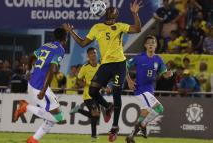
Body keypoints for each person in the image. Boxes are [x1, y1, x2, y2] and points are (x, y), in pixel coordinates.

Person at [63, 0, 142, 141]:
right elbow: (82, 43)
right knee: (92, 91)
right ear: (105, 12)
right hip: (105, 65)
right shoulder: (97, 27)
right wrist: (71, 32)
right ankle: (108, 106)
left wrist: (135, 14)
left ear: (116, 15)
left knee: (117, 94)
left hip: (119, 65)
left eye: (114, 9)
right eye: (110, 8)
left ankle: (115, 127)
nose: (113, 10)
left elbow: (137, 29)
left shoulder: (120, 26)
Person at [13, 27, 67, 143]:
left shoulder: (47, 45)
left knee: (53, 119)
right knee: (59, 118)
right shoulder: (60, 50)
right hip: (40, 87)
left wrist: (28, 71)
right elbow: (52, 69)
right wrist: (43, 90)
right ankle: (25, 107)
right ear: (65, 38)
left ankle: (33, 139)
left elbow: (31, 56)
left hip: (33, 83)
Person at [125, 35, 173, 143]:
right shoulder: (139, 57)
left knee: (144, 114)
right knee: (159, 109)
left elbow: (164, 74)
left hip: (150, 91)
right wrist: (129, 80)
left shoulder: (158, 59)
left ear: (156, 45)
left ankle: (130, 137)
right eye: (149, 43)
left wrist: (168, 74)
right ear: (145, 45)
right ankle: (143, 125)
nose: (151, 44)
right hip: (141, 90)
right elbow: (124, 66)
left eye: (153, 42)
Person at [69, 47, 102, 142]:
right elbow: (78, 78)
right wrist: (85, 84)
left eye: (95, 53)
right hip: (88, 95)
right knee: (95, 113)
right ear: (88, 56)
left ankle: (93, 135)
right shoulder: (85, 67)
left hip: (97, 95)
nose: (94, 55)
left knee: (96, 116)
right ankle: (93, 136)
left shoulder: (99, 67)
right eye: (91, 53)